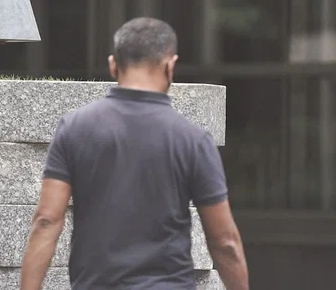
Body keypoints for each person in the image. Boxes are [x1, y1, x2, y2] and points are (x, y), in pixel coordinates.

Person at [20, 17, 249, 290]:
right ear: (170, 66)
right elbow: (225, 242)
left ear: (113, 65)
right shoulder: (193, 140)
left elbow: (46, 221)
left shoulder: (75, 128)